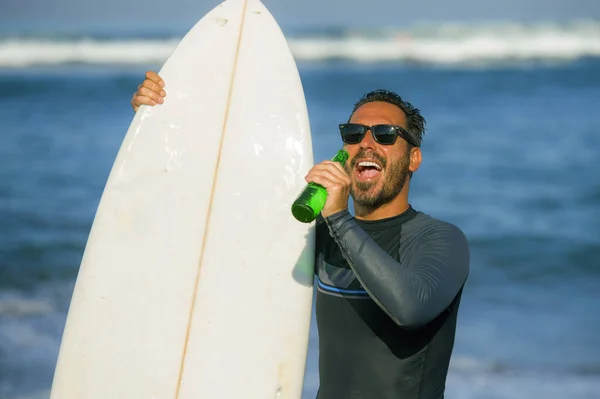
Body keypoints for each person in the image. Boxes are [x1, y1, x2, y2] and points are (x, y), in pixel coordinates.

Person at [131, 71, 470, 399]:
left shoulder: (439, 239)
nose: (366, 143)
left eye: (384, 133)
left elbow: (411, 308)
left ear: (413, 158)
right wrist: (160, 127)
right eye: (353, 133)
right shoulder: (319, 234)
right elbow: (216, 212)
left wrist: (337, 217)